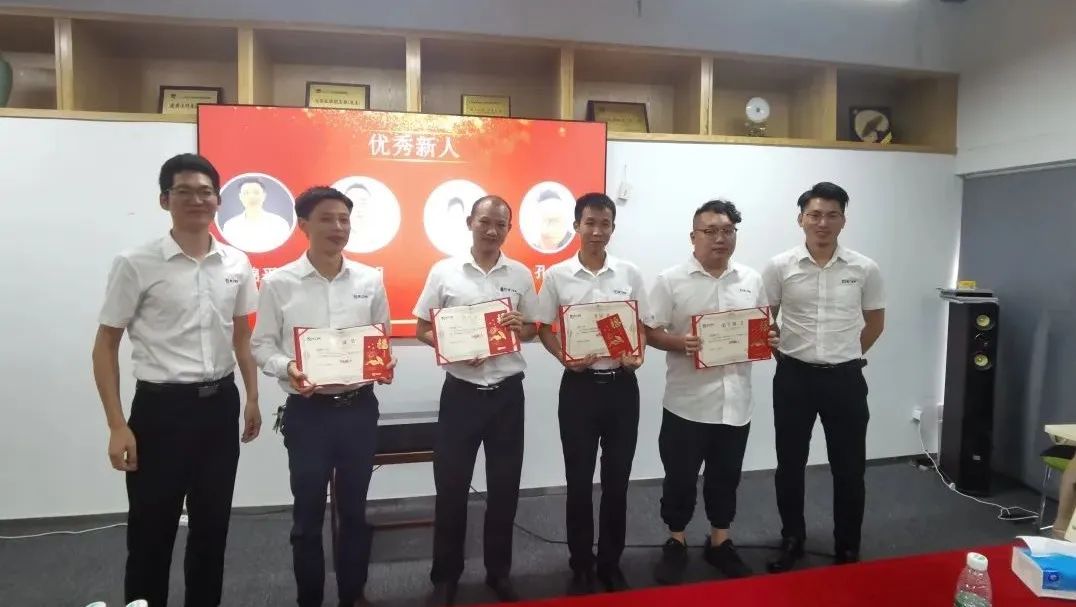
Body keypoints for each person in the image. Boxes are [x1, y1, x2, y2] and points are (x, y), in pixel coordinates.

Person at [92, 153, 262, 607]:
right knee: (151, 532)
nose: (196, 200)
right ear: (165, 200)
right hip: (160, 411)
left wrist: (252, 397)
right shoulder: (136, 263)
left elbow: (242, 337)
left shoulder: (237, 262)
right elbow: (105, 345)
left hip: (220, 406)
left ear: (218, 200)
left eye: (206, 192)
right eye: (184, 191)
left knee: (212, 530)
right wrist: (116, 425)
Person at [251, 186, 396, 607]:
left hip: (358, 410)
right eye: (327, 218)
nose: (338, 227)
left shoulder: (369, 279)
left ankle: (353, 596)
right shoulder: (279, 283)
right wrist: (288, 368)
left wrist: (384, 363)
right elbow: (261, 346)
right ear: (304, 225)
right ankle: (309, 600)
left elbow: (381, 340)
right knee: (307, 515)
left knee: (354, 512)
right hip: (308, 413)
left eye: (344, 219)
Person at [413, 195, 538, 606]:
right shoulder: (444, 272)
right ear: (470, 222)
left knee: (504, 488)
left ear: (508, 229)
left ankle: (498, 573)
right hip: (461, 394)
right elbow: (421, 328)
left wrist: (522, 327)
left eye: (500, 224)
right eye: (485, 221)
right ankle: (445, 577)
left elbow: (533, 329)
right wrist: (450, 347)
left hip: (507, 395)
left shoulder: (520, 274)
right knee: (451, 489)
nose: (491, 230)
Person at [646, 200, 778, 584]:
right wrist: (678, 343)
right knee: (680, 477)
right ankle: (676, 539)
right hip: (687, 403)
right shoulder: (670, 280)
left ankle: (720, 540)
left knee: (726, 476)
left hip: (736, 402)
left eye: (727, 231)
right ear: (693, 237)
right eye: (711, 231)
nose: (720, 238)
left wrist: (769, 338)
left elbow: (764, 327)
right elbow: (650, 331)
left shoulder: (751, 279)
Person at [762, 181, 885, 572]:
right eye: (814, 214)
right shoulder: (779, 266)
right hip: (794, 378)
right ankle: (792, 539)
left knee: (849, 468)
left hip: (845, 380)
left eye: (832, 215)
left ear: (843, 221)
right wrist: (783, 352)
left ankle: (847, 546)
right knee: (790, 464)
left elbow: (875, 323)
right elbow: (765, 320)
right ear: (800, 219)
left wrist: (844, 354)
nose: (823, 222)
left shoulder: (864, 268)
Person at [535, 192, 648, 594]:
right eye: (590, 223)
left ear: (613, 228)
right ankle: (581, 561)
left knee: (617, 480)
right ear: (576, 226)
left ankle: (610, 562)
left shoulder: (630, 273)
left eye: (605, 224)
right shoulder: (557, 275)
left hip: (622, 388)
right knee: (579, 479)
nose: (597, 231)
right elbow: (543, 327)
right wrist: (563, 357)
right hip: (579, 389)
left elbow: (641, 326)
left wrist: (638, 355)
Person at [221, 177, 293, 253]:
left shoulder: (280, 224)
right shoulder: (230, 226)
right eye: (246, 193)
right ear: (240, 197)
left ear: (264, 196)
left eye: (256, 192)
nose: (251, 197)